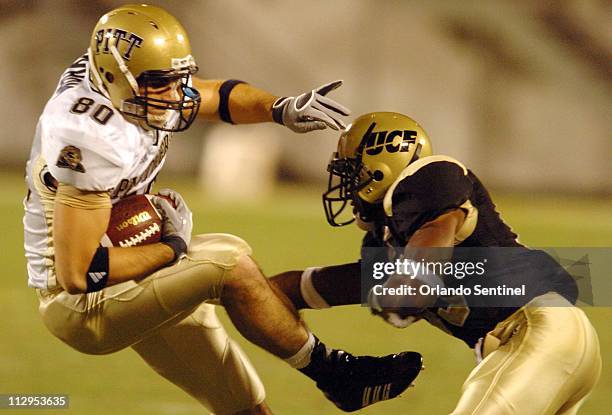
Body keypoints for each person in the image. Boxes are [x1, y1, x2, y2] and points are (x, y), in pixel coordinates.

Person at [22, 6, 422, 415]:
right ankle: (335, 373)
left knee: (244, 407)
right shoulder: (87, 136)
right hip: (84, 303)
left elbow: (214, 96)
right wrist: (173, 247)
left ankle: (335, 377)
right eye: (163, 83)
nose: (177, 95)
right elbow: (78, 273)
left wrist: (279, 109)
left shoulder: (132, 82)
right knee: (229, 261)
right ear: (115, 77)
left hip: (134, 276)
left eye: (178, 80)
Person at [272, 111, 602, 414]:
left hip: (538, 330)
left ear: (380, 166)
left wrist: (414, 278)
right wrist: (247, 289)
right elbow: (309, 288)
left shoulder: (428, 180)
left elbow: (438, 228)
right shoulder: (388, 242)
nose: (347, 186)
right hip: (539, 349)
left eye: (352, 171)